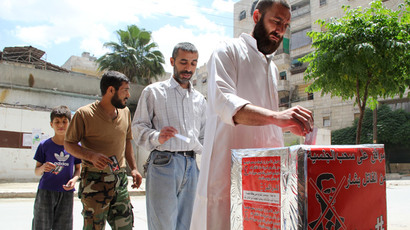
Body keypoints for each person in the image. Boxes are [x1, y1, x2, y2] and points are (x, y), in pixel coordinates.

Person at [190, 0, 314, 229]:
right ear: (256, 17)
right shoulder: (227, 50)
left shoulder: (273, 68)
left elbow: (268, 122)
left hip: (264, 175)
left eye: (285, 25)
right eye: (276, 21)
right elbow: (224, 102)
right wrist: (279, 117)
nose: (280, 30)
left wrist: (285, 125)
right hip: (226, 174)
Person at [132, 42, 206, 230]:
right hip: (164, 163)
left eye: (193, 63)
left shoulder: (200, 100)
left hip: (192, 166)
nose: (188, 68)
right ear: (172, 61)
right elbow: (137, 128)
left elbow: (205, 136)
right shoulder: (153, 92)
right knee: (162, 226)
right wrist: (158, 136)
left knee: (187, 225)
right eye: (183, 62)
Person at [64, 71, 143, 230]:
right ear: (111, 90)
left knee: (126, 226)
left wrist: (133, 168)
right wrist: (91, 155)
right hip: (94, 181)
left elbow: (127, 141)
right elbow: (69, 144)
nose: (128, 94)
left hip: (119, 179)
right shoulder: (84, 114)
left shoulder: (125, 112)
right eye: (125, 90)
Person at [32, 105, 81, 230]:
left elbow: (78, 169)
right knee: (41, 225)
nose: (61, 125)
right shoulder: (44, 145)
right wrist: (43, 167)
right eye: (57, 122)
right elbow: (37, 171)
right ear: (51, 124)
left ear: (70, 124)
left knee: (64, 226)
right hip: (46, 192)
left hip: (66, 193)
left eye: (64, 122)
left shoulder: (75, 146)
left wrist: (74, 180)